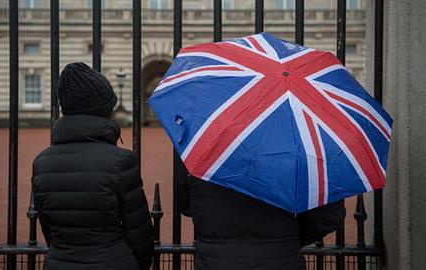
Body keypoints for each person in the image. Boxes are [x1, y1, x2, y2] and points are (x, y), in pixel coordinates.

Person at [32, 62, 154, 270]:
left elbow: (49, 229)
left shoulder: (42, 162)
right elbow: (139, 232)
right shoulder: (122, 161)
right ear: (104, 110)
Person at [176, 159, 345, 270]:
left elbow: (185, 205)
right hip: (282, 259)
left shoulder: (202, 148)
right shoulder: (299, 148)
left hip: (215, 261)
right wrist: (289, 236)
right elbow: (328, 215)